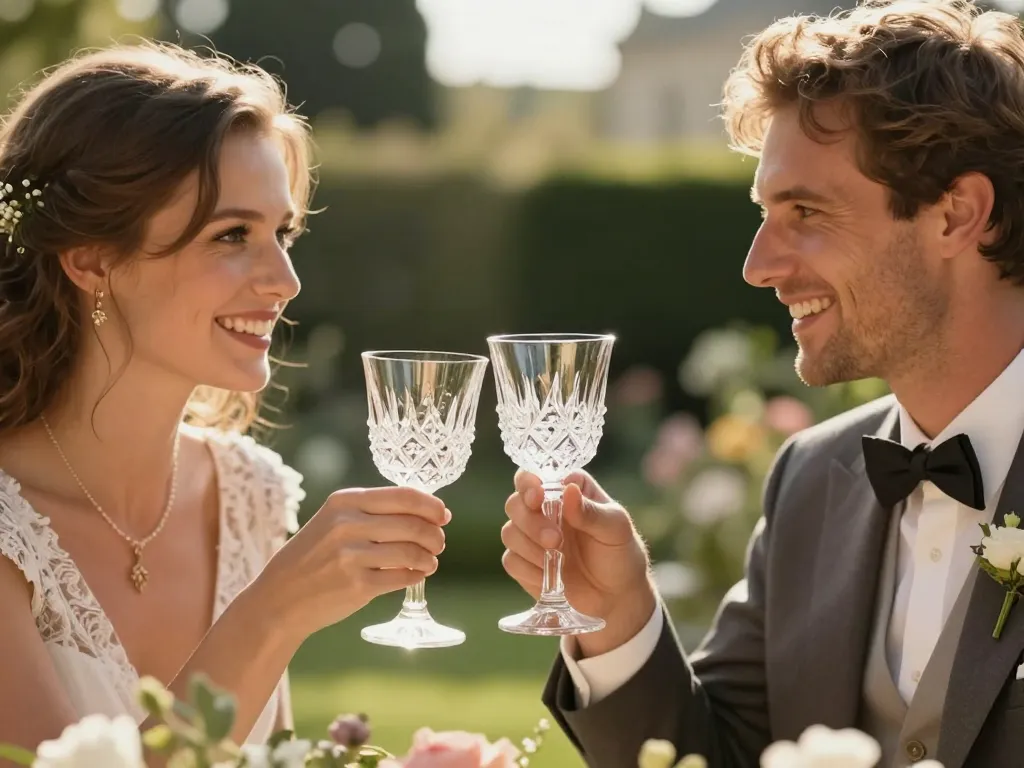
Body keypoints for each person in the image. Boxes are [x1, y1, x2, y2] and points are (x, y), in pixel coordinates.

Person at [502, 1, 1024, 766]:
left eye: (805, 212)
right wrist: (618, 617)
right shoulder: (813, 479)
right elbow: (717, 756)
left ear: (956, 215)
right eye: (765, 214)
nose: (758, 266)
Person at [0, 43, 449, 757]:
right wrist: (273, 611)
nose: (285, 280)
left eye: (283, 232)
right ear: (91, 259)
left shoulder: (249, 496)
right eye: (232, 235)